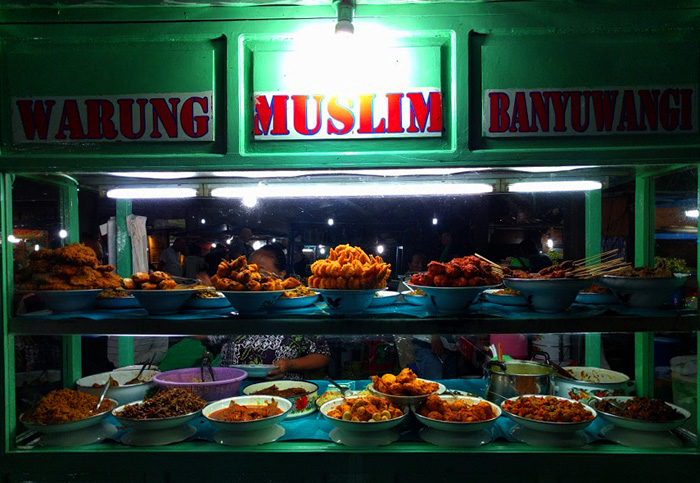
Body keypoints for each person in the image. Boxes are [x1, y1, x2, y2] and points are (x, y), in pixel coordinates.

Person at [201, 243, 331, 380]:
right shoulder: (235, 305)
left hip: (283, 391)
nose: (251, 277)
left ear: (281, 275)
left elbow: (322, 355)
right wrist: (206, 301)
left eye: (260, 272)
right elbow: (202, 335)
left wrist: (290, 365)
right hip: (233, 391)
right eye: (247, 271)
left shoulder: (298, 309)